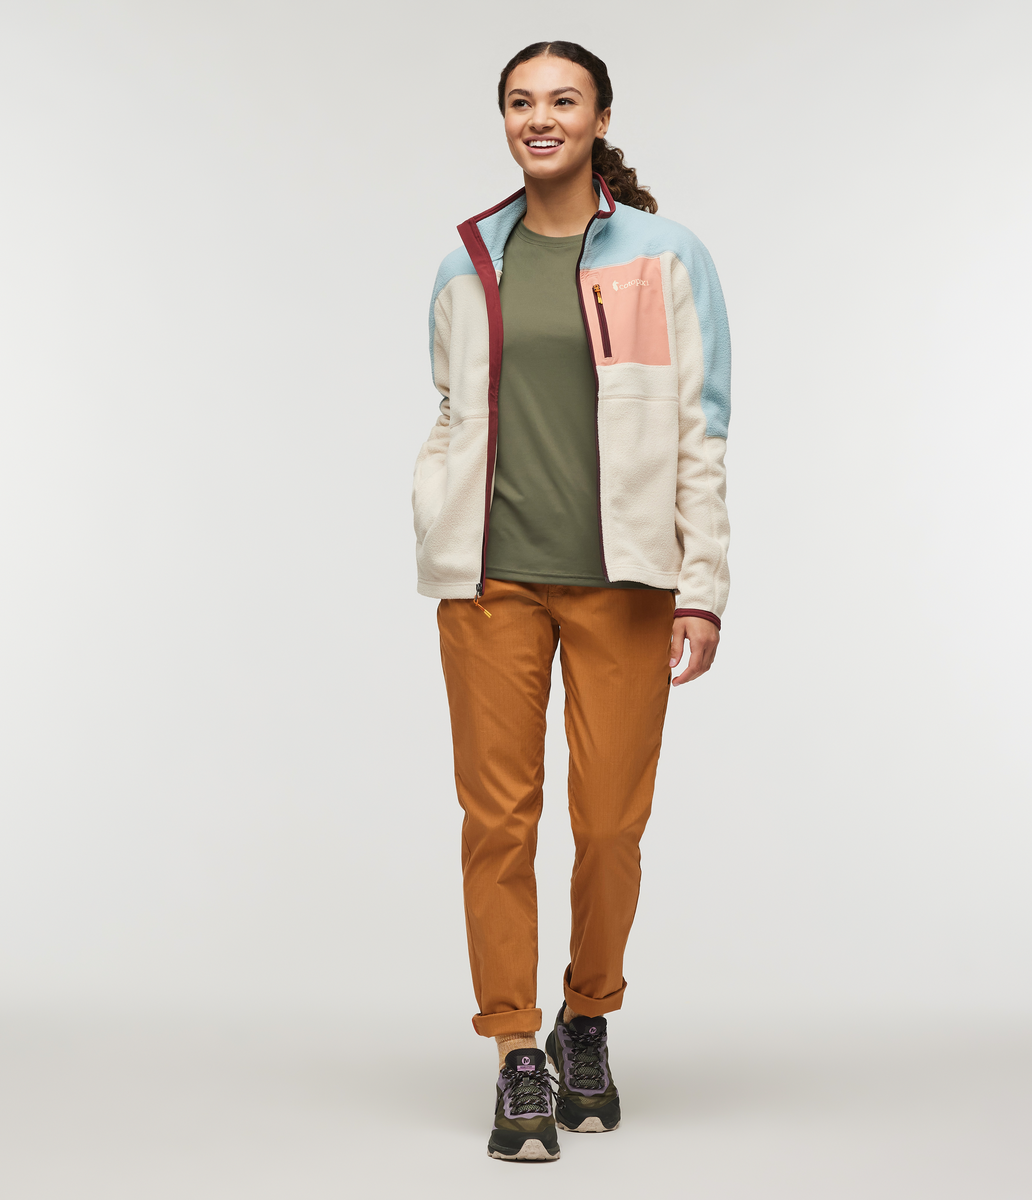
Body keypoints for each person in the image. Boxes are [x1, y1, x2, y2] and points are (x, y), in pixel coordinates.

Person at [412, 40, 731, 1162]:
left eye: (562, 100)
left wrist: (703, 585)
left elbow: (701, 427)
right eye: (519, 101)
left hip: (625, 584)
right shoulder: (469, 260)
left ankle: (586, 1017)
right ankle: (515, 1046)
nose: (538, 118)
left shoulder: (664, 254)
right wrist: (436, 507)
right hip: (490, 580)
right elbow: (452, 406)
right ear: (504, 119)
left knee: (608, 824)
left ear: (599, 117)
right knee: (497, 822)